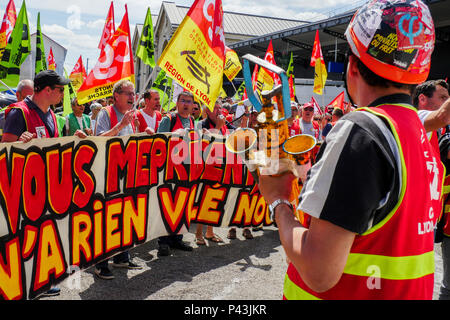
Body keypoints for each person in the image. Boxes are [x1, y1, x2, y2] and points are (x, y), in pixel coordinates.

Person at [258, 0, 443, 300]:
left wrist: (279, 201)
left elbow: (319, 272)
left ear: (353, 65)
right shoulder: (417, 132)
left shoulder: (361, 130)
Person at [94, 79, 143, 279]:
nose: (132, 97)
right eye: (128, 93)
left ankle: (122, 257)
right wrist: (121, 124)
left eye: (133, 93)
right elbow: (99, 139)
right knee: (106, 220)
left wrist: (139, 130)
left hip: (126, 174)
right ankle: (100, 263)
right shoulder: (106, 113)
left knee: (125, 216)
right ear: (116, 96)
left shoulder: (132, 115)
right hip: (108, 174)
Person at [413, 80, 450, 300]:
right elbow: (443, 116)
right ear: (423, 100)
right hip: (412, 217)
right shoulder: (417, 118)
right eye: (443, 98)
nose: (446, 103)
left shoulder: (435, 132)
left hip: (426, 218)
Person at [156, 91, 195, 256]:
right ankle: (163, 242)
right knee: (167, 206)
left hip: (186, 170)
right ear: (177, 103)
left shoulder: (193, 121)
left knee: (181, 204)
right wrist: (174, 136)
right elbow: (158, 141)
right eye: (183, 101)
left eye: (189, 102)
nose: (186, 104)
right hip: (168, 170)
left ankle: (177, 239)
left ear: (193, 106)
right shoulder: (169, 119)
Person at [195, 99, 233, 244]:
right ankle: (198, 233)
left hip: (220, 166)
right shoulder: (201, 124)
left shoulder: (224, 124)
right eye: (215, 108)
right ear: (207, 111)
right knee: (202, 200)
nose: (218, 111)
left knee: (215, 200)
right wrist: (217, 128)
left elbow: (235, 133)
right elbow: (204, 147)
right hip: (206, 167)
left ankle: (209, 232)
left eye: (219, 108)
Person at [2, 70, 74, 143]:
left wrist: (77, 139)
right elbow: (5, 148)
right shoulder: (18, 112)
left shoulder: (53, 115)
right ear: (48, 90)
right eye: (61, 90)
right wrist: (19, 143)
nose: (63, 94)